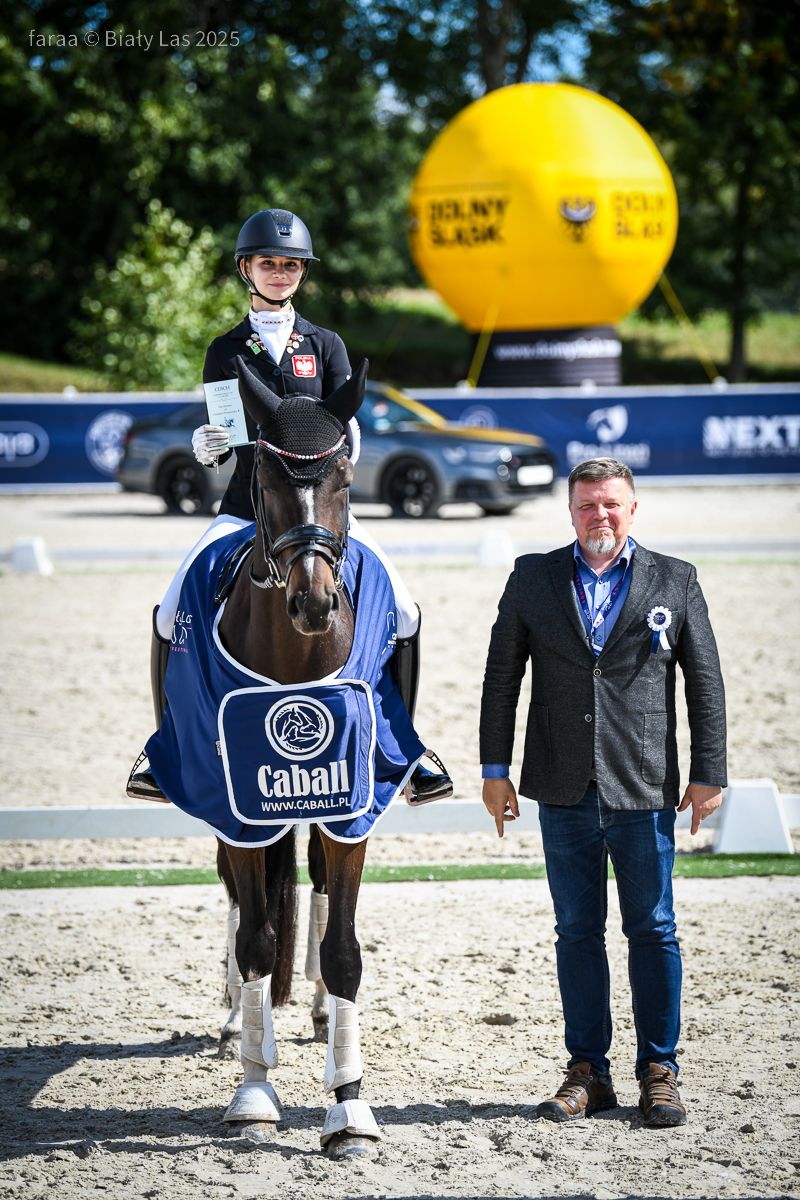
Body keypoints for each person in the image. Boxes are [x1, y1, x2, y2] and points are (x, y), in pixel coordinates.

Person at [127, 207, 451, 804]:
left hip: (321, 511)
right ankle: (164, 751)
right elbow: (227, 434)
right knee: (171, 611)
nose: (280, 273)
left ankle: (406, 752)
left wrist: (341, 446)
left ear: (302, 273)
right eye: (269, 263)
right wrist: (209, 444)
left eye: (291, 265)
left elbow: (348, 427)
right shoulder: (226, 350)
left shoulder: (325, 344)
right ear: (246, 269)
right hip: (246, 509)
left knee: (404, 611)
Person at [479, 457, 726, 1128]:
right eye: (587, 504)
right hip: (561, 784)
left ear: (632, 508)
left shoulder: (675, 579)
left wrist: (709, 771)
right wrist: (495, 770)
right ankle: (589, 1071)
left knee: (654, 928)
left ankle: (660, 1070)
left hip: (643, 784)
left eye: (611, 503)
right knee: (576, 931)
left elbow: (705, 681)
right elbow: (501, 677)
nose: (600, 515)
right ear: (570, 511)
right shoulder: (531, 578)